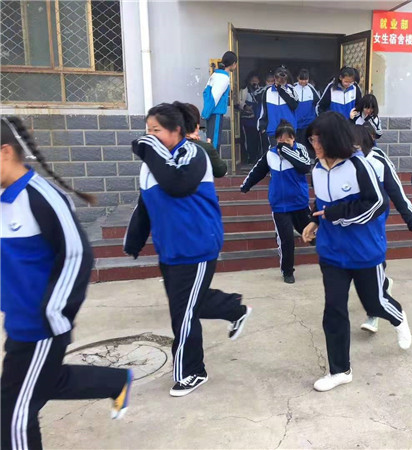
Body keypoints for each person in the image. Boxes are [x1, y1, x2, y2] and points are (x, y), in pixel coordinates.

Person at [0, 116, 133, 449]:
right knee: (45, 383)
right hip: (19, 321)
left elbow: (78, 256)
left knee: (14, 416)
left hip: (41, 327)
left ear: (5, 152)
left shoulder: (41, 197)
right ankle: (115, 380)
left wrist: (53, 312)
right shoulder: (4, 199)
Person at [124, 102, 252, 397]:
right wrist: (134, 240)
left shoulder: (193, 154)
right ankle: (235, 309)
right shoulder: (151, 163)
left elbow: (177, 184)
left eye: (156, 130)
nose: (150, 137)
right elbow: (145, 205)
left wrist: (147, 149)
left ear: (176, 131)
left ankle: (192, 371)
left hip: (197, 244)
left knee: (183, 311)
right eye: (147, 131)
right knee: (187, 303)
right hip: (170, 247)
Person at [301, 112, 412, 393]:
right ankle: (340, 370)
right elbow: (322, 203)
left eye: (320, 140)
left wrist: (337, 214)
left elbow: (377, 204)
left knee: (374, 304)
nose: (315, 145)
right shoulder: (316, 169)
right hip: (332, 253)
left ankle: (398, 316)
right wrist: (315, 221)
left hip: (364, 252)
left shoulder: (358, 166)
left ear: (335, 139)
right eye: (312, 140)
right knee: (334, 310)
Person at [353, 124, 412, 333]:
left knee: (373, 266)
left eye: (354, 143)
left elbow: (398, 194)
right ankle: (384, 284)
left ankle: (373, 315)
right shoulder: (345, 162)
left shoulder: (379, 161)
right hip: (351, 224)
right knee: (361, 269)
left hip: (374, 224)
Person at [240, 120, 311, 284]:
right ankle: (287, 271)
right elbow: (257, 171)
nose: (283, 142)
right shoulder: (270, 155)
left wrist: (287, 152)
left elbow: (305, 167)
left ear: (293, 138)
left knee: (311, 235)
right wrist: (246, 185)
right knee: (287, 240)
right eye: (280, 139)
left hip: (299, 203)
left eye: (288, 139)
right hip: (280, 206)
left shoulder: (300, 150)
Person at [202, 51, 238, 151]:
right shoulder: (223, 78)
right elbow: (214, 98)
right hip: (215, 114)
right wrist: (205, 116)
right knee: (214, 144)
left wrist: (205, 115)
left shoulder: (215, 75)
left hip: (211, 113)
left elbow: (206, 94)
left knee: (211, 141)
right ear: (233, 64)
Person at [258, 66, 299, 148]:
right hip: (273, 129)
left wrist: (281, 90)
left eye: (283, 79)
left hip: (288, 129)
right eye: (278, 78)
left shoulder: (291, 90)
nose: (281, 81)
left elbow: (294, 105)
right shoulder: (267, 91)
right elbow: (264, 110)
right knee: (274, 153)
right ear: (274, 78)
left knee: (289, 153)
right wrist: (262, 126)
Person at [185, 103, 228, 177]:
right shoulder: (205, 148)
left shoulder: (170, 145)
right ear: (197, 126)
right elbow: (221, 171)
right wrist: (209, 148)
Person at [238, 72, 262, 164]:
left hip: (258, 119)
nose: (254, 82)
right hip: (248, 120)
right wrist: (245, 107)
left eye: (256, 80)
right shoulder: (244, 90)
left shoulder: (262, 90)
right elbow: (239, 101)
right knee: (249, 139)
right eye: (252, 81)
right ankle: (250, 157)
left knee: (258, 139)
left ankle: (258, 156)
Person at [293, 69, 320, 150]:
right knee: (295, 143)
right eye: (301, 79)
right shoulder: (293, 88)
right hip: (295, 122)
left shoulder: (311, 88)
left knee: (307, 143)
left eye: (306, 79)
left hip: (308, 122)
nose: (303, 81)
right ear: (297, 78)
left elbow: (318, 103)